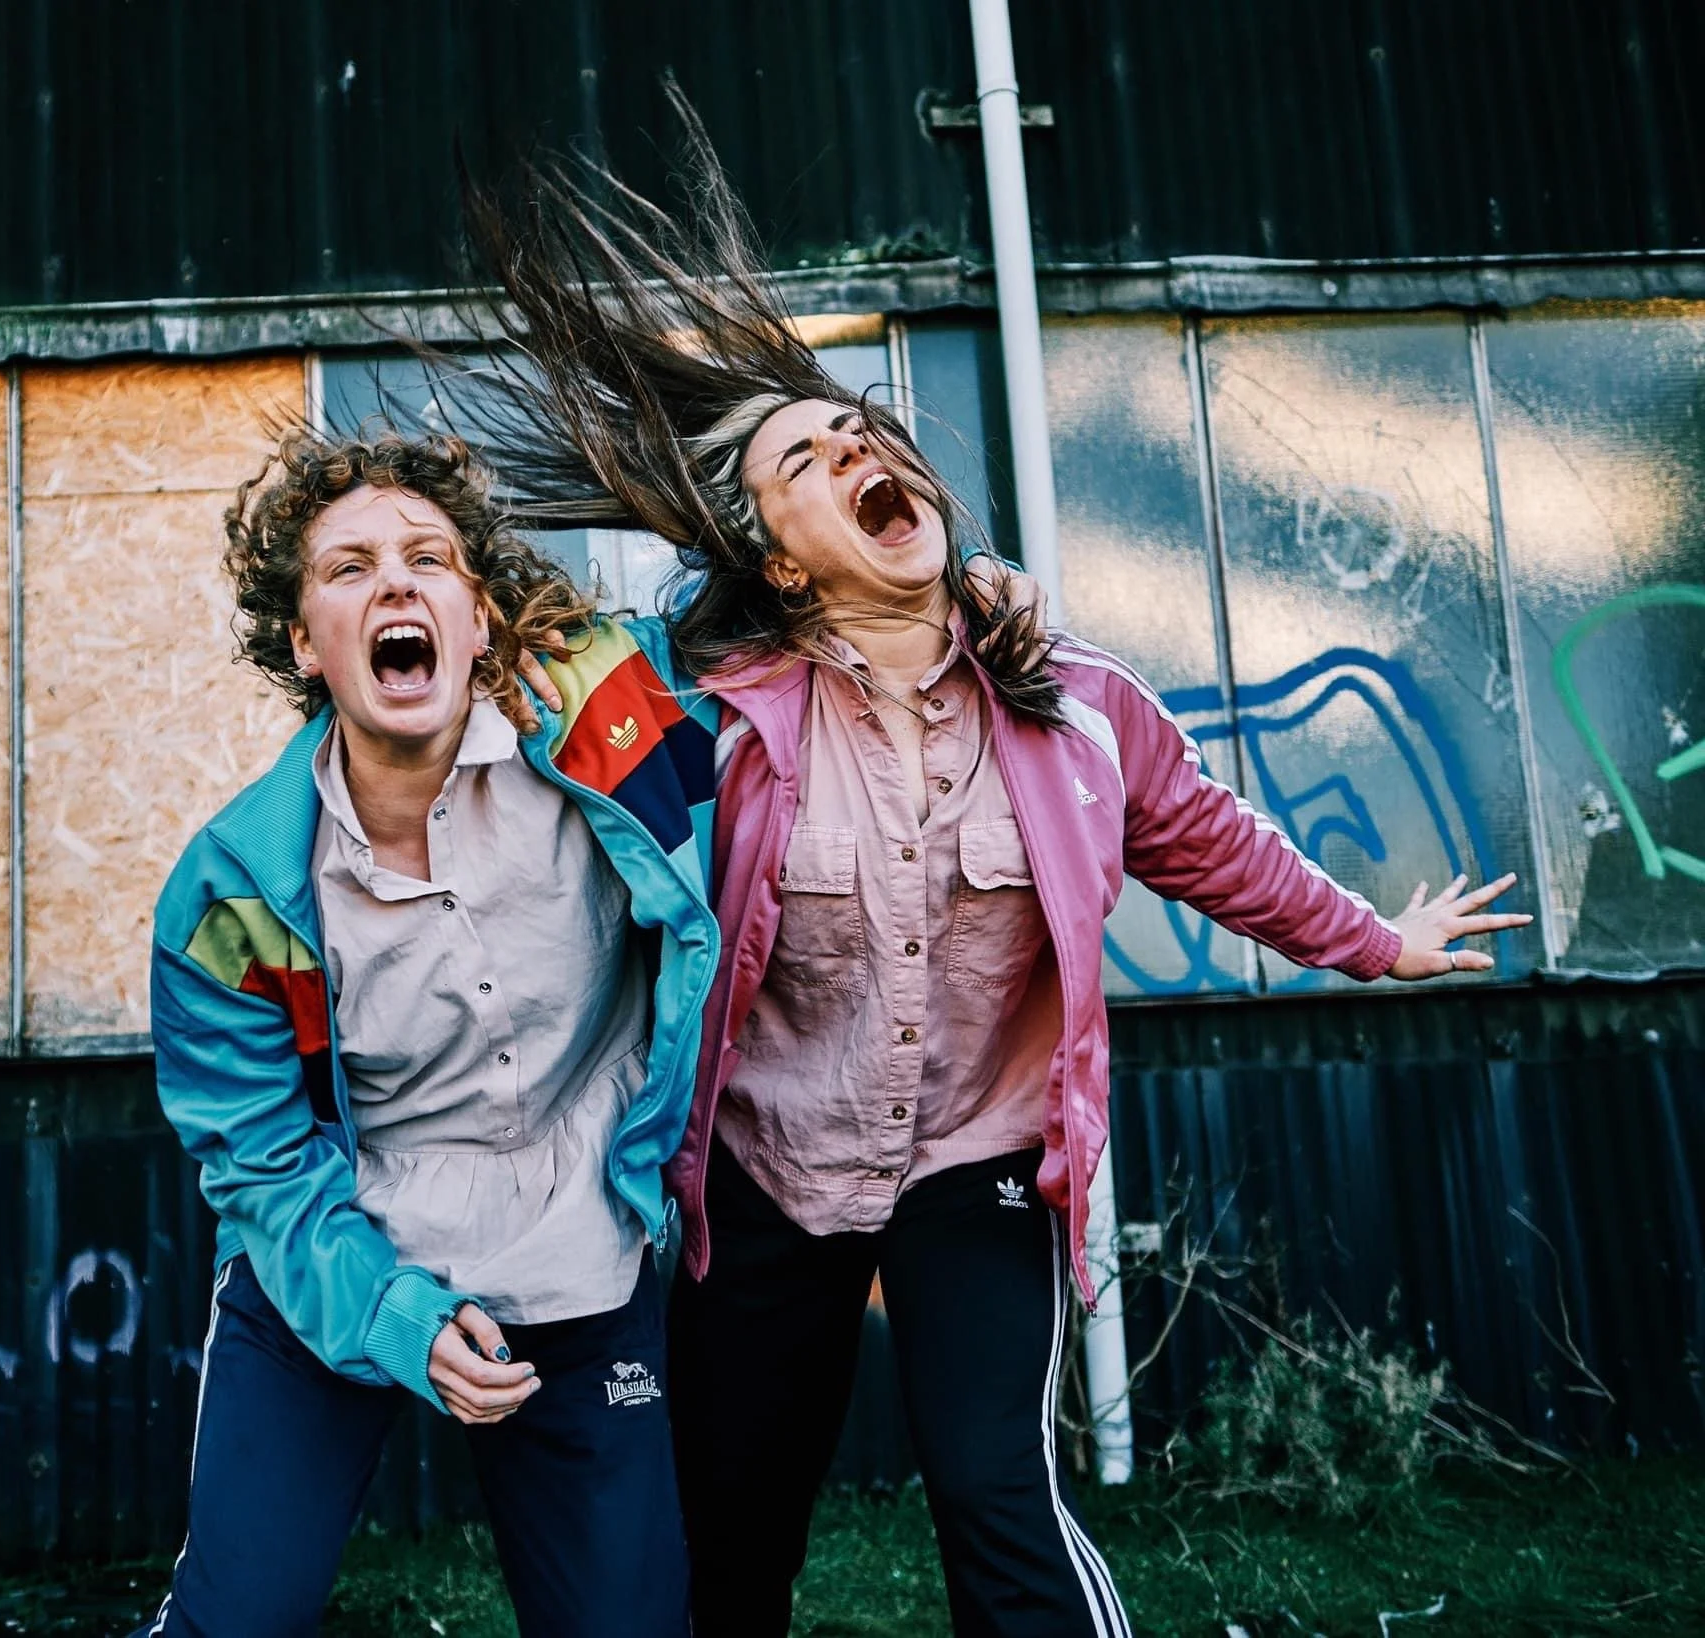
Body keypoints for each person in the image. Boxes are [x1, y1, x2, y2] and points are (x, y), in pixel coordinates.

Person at [446, 89, 1533, 1638]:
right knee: (733, 1528)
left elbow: (1211, 841)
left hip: (980, 1162)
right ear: (774, 555)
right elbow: (554, 705)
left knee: (998, 1491)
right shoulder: (718, 722)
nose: (858, 446)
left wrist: (1374, 936)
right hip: (762, 1172)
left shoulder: (1078, 708)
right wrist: (431, 568)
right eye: (810, 456)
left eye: (866, 432)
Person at [136, 427, 722, 1638]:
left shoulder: (607, 720)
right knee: (237, 1621)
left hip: (581, 1234)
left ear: (477, 615)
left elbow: (790, 591)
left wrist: (976, 583)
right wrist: (390, 1314)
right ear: (305, 644)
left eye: (429, 559)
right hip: (337, 1243)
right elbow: (258, 1159)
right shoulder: (232, 891)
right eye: (347, 568)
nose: (394, 584)